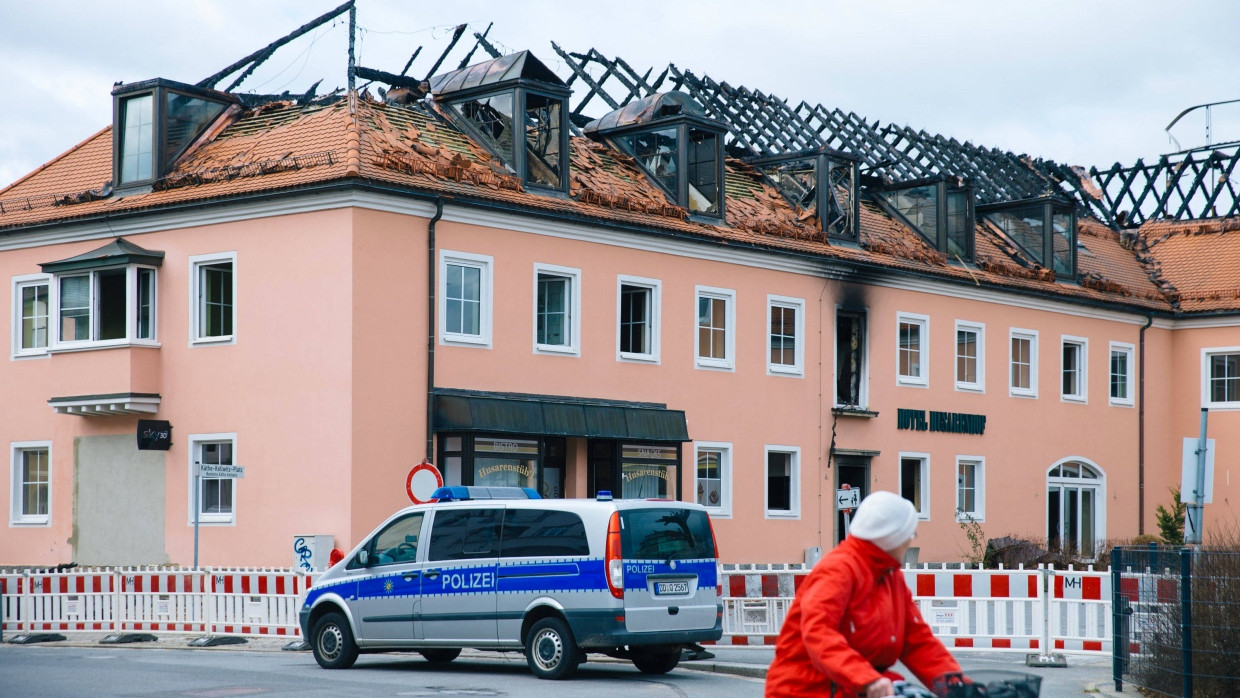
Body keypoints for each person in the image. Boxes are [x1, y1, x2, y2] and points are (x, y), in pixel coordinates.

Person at [765, 491, 963, 697]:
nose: (911, 541)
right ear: (893, 538)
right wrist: (866, 678)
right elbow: (819, 632)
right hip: (808, 690)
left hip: (853, 689)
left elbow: (918, 642)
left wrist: (960, 688)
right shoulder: (838, 570)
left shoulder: (890, 575)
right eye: (910, 535)